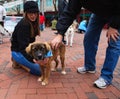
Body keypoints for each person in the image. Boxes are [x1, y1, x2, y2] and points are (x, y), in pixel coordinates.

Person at [51, 0, 120, 89]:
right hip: (99, 13)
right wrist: (60, 34)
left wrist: (114, 26)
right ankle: (89, 66)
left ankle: (106, 77)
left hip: (116, 13)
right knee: (89, 37)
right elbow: (69, 12)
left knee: (114, 41)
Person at [11, 1, 52, 76]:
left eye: (35, 13)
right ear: (26, 13)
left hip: (27, 50)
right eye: (30, 13)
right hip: (18, 52)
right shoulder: (23, 25)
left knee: (45, 65)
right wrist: (33, 59)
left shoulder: (33, 23)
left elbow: (32, 44)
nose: (33, 16)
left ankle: (22, 62)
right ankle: (19, 63)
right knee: (40, 71)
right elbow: (22, 48)